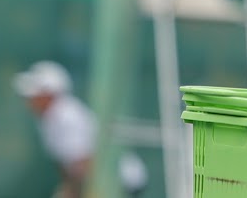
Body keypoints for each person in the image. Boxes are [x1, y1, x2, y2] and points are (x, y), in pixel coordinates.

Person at [14, 60, 149, 198]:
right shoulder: (48, 120)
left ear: (49, 94)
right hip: (99, 182)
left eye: (35, 93)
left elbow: (85, 163)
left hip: (124, 181)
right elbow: (65, 165)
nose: (29, 99)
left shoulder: (68, 116)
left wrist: (77, 193)